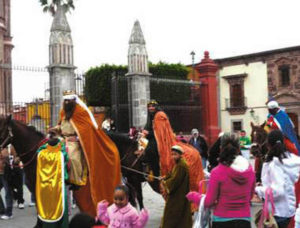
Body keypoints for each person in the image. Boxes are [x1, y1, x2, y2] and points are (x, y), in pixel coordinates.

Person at [51, 90, 121, 216]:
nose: (67, 102)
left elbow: (87, 132)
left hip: (75, 142)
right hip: (63, 139)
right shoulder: (63, 111)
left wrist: (77, 138)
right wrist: (55, 129)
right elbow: (62, 125)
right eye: (65, 100)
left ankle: (76, 180)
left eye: (69, 100)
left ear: (74, 100)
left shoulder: (81, 112)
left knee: (72, 156)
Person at [188, 133, 255, 228]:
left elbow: (209, 202)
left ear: (220, 148)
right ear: (239, 149)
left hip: (221, 220)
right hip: (244, 220)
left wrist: (193, 196)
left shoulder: (217, 172)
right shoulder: (250, 170)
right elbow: (250, 197)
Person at [142, 100, 203, 195]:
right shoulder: (151, 117)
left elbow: (160, 133)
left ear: (156, 106)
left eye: (152, 106)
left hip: (162, 141)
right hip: (153, 139)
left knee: (151, 150)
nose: (151, 108)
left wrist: (148, 134)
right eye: (149, 106)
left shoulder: (160, 115)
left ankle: (155, 173)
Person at [255, 130, 300, 228]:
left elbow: (278, 191)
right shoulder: (294, 160)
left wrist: (258, 189)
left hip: (277, 212)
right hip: (290, 210)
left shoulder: (275, 164)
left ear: (268, 145)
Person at [35, 133, 69, 227]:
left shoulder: (41, 154)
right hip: (58, 187)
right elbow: (67, 157)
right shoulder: (62, 154)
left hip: (44, 187)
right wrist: (60, 143)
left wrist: (47, 144)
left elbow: (39, 149)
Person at [161, 145, 192, 228]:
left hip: (178, 195)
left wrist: (165, 183)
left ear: (180, 155)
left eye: (175, 154)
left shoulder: (181, 165)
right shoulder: (178, 163)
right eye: (172, 154)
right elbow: (172, 174)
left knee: (172, 215)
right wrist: (165, 177)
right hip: (179, 194)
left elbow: (175, 181)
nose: (173, 157)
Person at [0, 145, 15, 220]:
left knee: (8, 193)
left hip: (6, 173)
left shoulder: (9, 147)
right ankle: (1, 211)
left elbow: (16, 158)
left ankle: (9, 213)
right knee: (8, 192)